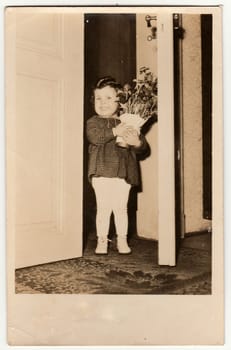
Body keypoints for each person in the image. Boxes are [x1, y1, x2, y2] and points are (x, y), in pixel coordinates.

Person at [86, 76, 149, 255]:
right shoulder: (93, 122)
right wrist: (115, 131)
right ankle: (102, 240)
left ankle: (122, 239)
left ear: (120, 101)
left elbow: (142, 148)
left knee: (121, 208)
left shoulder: (128, 120)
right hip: (101, 172)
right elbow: (94, 137)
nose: (102, 102)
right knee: (103, 208)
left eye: (108, 98)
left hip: (123, 173)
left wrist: (136, 142)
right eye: (98, 98)